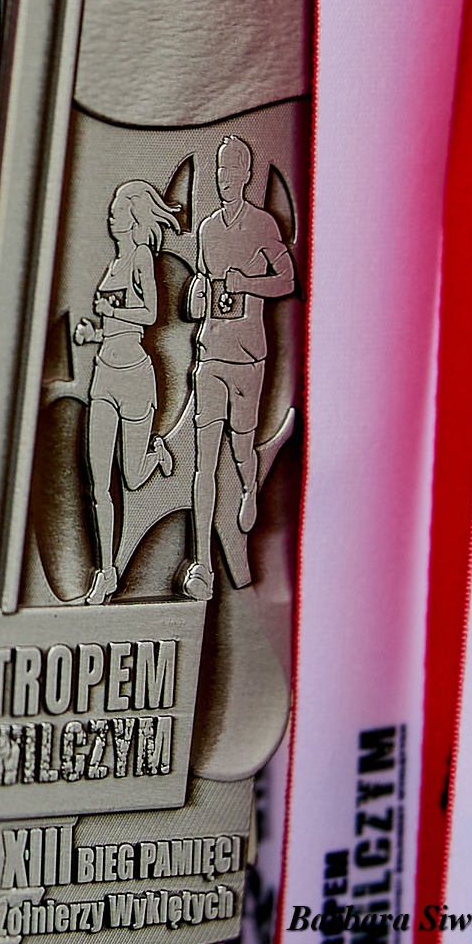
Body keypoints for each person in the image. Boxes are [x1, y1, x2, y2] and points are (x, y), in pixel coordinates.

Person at [181, 134, 295, 600]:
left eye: (233, 171)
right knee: (204, 461)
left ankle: (249, 485)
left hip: (248, 357)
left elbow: (287, 279)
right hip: (210, 354)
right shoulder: (207, 229)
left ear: (246, 175)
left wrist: (247, 282)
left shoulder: (263, 224)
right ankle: (202, 566)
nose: (225, 179)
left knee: (240, 447)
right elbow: (204, 285)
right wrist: (197, 296)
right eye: (220, 172)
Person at [72, 180, 181, 605]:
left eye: (118, 212)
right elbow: (116, 325)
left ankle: (156, 453)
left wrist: (112, 310)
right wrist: (93, 333)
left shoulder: (140, 258)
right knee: (98, 482)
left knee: (132, 478)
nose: (111, 216)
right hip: (104, 375)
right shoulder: (114, 262)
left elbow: (150, 314)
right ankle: (107, 571)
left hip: (135, 376)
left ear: (134, 220)